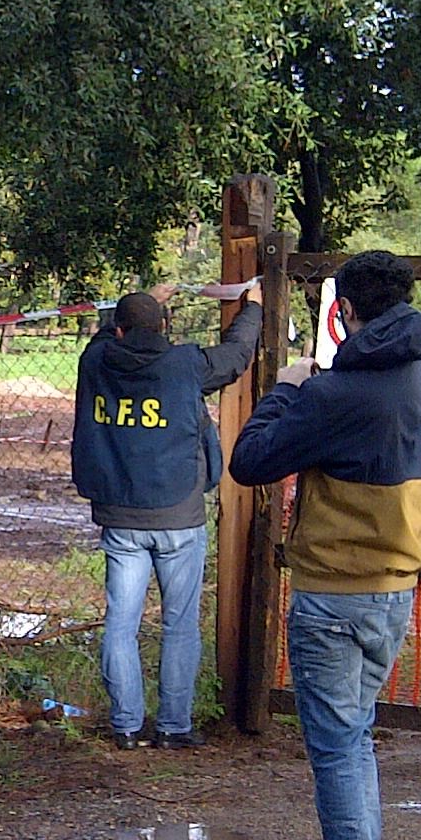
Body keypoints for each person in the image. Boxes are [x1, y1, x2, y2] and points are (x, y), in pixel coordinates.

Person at [229, 250, 421, 840]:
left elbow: (250, 461)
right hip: (396, 594)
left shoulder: (336, 393)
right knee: (354, 744)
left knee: (337, 753)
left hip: (333, 597)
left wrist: (286, 389)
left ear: (345, 311)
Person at [72, 280, 262, 749]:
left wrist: (148, 301)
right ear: (165, 327)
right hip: (179, 515)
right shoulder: (184, 364)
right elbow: (236, 355)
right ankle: (174, 728)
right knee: (180, 624)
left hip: (120, 518)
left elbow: (106, 332)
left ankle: (127, 726)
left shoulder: (95, 360)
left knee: (121, 624)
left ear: (117, 330)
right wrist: (253, 309)